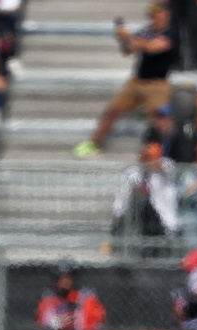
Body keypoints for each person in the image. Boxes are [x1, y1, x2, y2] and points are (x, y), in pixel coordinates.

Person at [74, 2, 176, 158]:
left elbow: (154, 47)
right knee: (112, 110)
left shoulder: (171, 33)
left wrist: (129, 37)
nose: (154, 18)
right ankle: (93, 143)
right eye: (152, 15)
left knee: (160, 119)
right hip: (137, 82)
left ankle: (166, 152)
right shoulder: (146, 31)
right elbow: (128, 50)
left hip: (158, 84)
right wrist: (123, 39)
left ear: (166, 15)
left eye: (157, 15)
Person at [111, 141, 180, 245]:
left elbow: (168, 169)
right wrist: (118, 213)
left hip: (160, 218)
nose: (147, 160)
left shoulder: (165, 169)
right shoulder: (133, 173)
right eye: (145, 157)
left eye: (150, 157)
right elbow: (122, 197)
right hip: (138, 215)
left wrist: (156, 165)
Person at [35, 262, 107, 330]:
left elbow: (97, 325)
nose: (64, 281)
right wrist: (55, 324)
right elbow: (41, 327)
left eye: (67, 277)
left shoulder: (86, 298)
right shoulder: (48, 298)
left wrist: (74, 324)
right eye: (60, 278)